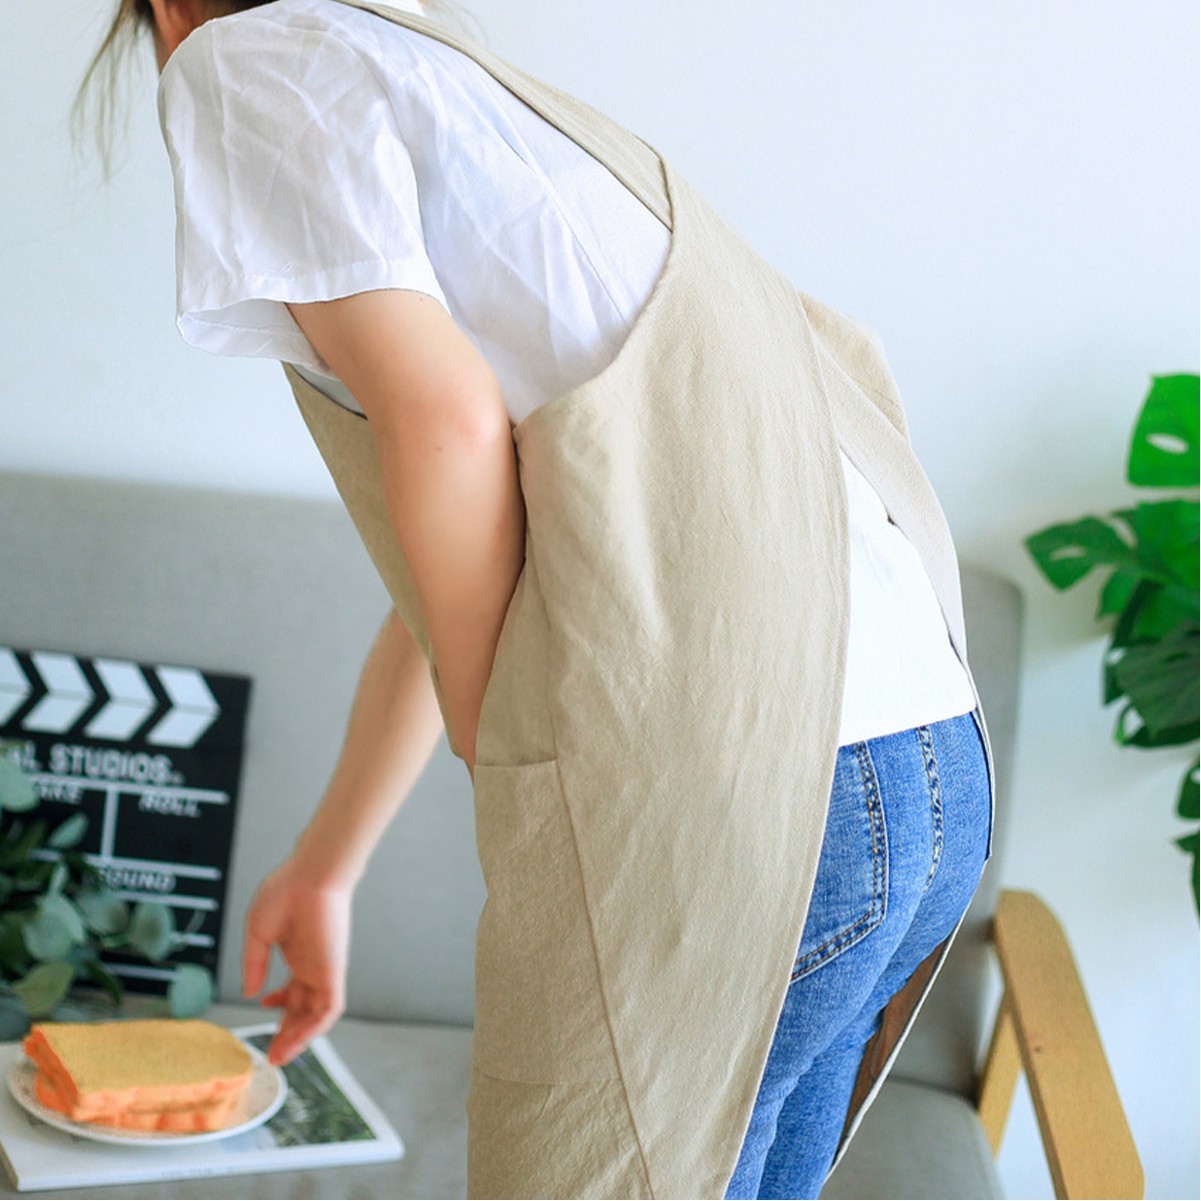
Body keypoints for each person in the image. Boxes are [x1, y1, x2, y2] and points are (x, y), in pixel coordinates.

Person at [79, 2, 996, 1197]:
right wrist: (328, 866)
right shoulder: (449, 83)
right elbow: (489, 543)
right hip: (919, 769)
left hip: (749, 799)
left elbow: (443, 418)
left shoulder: (248, 58)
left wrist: (500, 737)